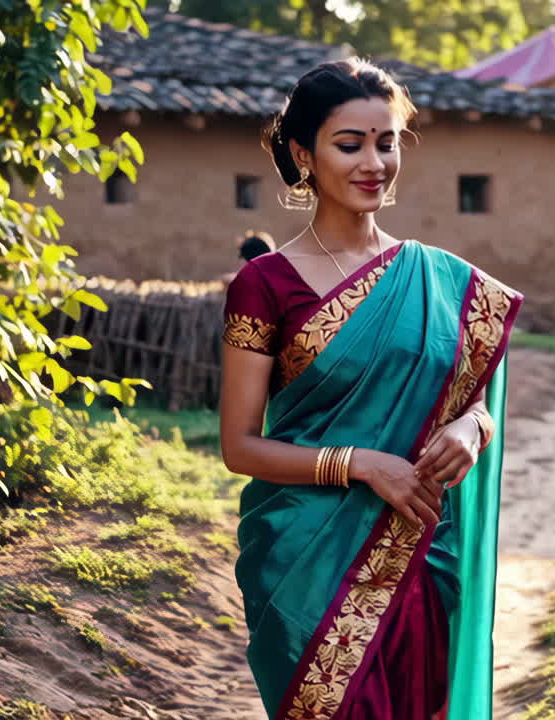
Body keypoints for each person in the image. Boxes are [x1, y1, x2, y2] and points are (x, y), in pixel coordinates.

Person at [218, 59, 522, 720]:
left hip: (420, 552)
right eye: (349, 144)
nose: (374, 163)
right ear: (304, 154)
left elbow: (475, 395)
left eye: (386, 143)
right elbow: (240, 447)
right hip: (306, 564)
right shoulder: (264, 285)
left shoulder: (437, 279)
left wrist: (472, 429)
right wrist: (359, 464)